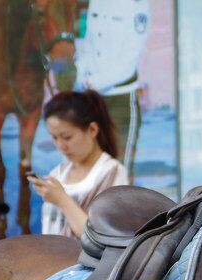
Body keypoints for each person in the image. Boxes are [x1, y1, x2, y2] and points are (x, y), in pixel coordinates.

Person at [30, 90, 129, 238]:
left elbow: (102, 239)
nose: (61, 145)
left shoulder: (112, 173)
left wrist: (62, 199)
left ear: (92, 130)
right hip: (51, 259)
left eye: (67, 137)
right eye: (55, 138)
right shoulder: (57, 174)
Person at [74, 0, 151, 177]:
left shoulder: (137, 5)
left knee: (119, 173)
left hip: (120, 101)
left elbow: (129, 62)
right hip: (91, 99)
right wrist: (80, 76)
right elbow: (89, 46)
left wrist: (94, 82)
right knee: (89, 172)